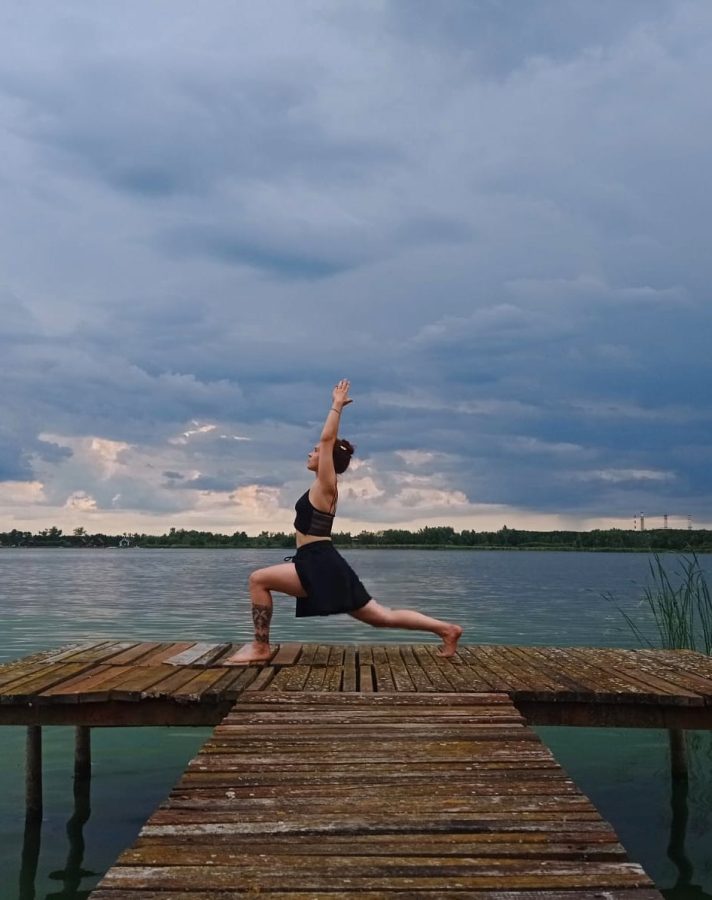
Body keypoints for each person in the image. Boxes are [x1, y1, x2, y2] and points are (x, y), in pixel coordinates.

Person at [224, 379, 463, 665]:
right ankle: (447, 630)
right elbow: (325, 446)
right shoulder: (320, 487)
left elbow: (326, 441)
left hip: (319, 562)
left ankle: (260, 648)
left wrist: (336, 405)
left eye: (314, 451)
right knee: (380, 617)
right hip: (321, 561)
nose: (311, 453)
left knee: (258, 579)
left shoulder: (327, 483)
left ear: (327, 459)